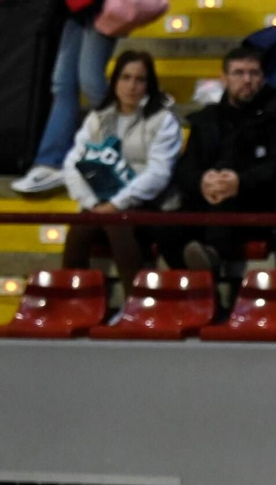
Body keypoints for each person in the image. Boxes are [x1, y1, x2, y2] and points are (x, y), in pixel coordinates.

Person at [158, 46, 276, 277]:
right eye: (239, 73)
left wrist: (239, 182)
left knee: (224, 203)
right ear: (224, 78)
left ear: (262, 78)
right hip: (207, 200)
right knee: (165, 226)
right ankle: (201, 269)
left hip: (256, 203)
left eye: (253, 73)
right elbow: (186, 168)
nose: (247, 80)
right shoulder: (206, 119)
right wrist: (203, 181)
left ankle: (210, 261)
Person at [60, 50, 181, 300]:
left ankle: (134, 302)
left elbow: (158, 173)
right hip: (101, 203)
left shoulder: (163, 120)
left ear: (149, 84)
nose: (131, 86)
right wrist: (94, 204)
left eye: (140, 79)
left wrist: (116, 204)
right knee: (79, 230)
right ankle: (73, 302)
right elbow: (74, 164)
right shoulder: (98, 118)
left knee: (118, 224)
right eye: (125, 78)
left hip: (151, 205)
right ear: (114, 82)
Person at [12, 1, 117, 195]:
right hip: (75, 11)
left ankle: (123, 144)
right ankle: (51, 161)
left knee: (91, 81)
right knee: (62, 84)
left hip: (102, 8)